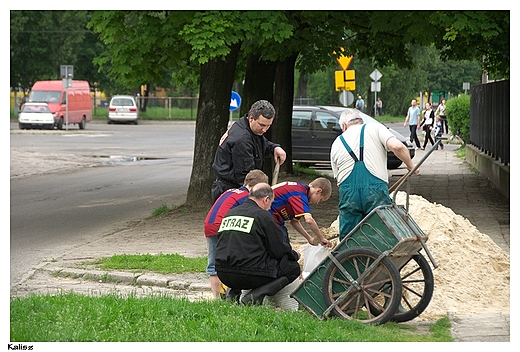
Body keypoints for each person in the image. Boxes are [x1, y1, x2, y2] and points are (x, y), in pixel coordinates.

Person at [330, 108, 419, 240]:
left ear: (344, 126)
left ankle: (350, 257)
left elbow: (338, 178)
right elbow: (398, 146)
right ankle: (382, 257)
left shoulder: (337, 142)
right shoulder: (375, 128)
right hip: (375, 190)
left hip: (348, 194)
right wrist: (411, 166)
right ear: (361, 121)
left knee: (349, 238)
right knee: (381, 233)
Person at [215, 183, 301, 305]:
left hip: (223, 273)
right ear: (266, 199)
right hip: (249, 274)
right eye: (270, 204)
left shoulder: (230, 213)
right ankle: (255, 296)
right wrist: (294, 255)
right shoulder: (263, 216)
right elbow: (278, 250)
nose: (270, 208)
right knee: (292, 268)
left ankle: (233, 293)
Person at [203, 169, 269, 299]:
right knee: (230, 261)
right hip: (223, 226)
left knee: (214, 263)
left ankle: (216, 297)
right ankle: (225, 295)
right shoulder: (246, 198)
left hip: (209, 224)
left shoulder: (230, 191)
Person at [211, 100, 287, 201]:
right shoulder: (242, 139)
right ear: (251, 118)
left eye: (268, 126)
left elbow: (262, 143)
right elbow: (247, 177)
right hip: (231, 192)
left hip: (236, 188)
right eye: (262, 125)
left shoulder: (248, 126)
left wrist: (274, 148)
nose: (264, 130)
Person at [270, 178, 332, 247]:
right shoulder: (300, 194)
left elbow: (294, 222)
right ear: (318, 191)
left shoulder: (301, 191)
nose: (317, 203)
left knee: (284, 242)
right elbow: (309, 220)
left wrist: (309, 239)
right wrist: (322, 238)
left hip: (273, 218)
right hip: (268, 216)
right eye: (320, 199)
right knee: (282, 245)